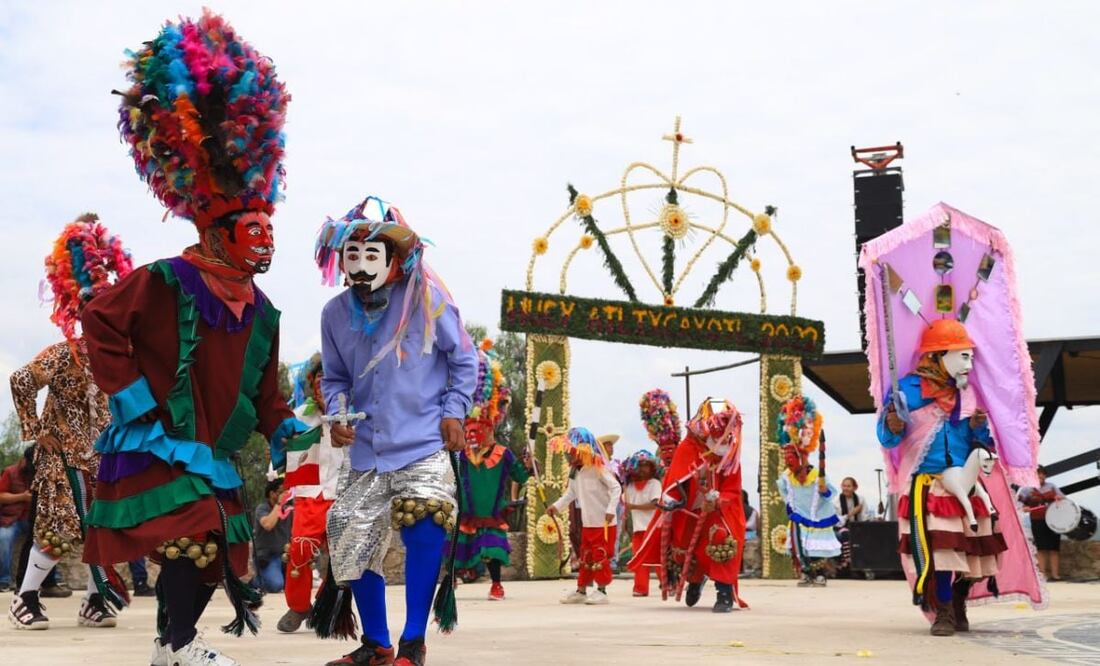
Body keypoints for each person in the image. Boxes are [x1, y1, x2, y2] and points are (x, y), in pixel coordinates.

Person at [80, 11, 298, 665]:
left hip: (213, 448)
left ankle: (167, 647)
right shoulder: (167, 279)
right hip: (157, 434)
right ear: (214, 229)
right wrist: (132, 398)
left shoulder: (264, 312)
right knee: (199, 526)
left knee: (219, 541)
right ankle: (177, 645)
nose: (262, 235)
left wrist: (293, 433)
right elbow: (98, 319)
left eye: (266, 223)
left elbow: (267, 393)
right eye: (248, 224)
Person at [314, 195, 477, 666]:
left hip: (422, 441)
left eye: (371, 255)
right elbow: (335, 379)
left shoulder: (427, 298)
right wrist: (338, 414)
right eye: (352, 256)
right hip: (366, 447)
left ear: (393, 258)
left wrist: (455, 411)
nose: (361, 267)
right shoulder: (333, 314)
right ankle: (377, 644)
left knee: (426, 519)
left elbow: (464, 358)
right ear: (340, 261)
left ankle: (413, 642)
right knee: (350, 530)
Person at [9, 215, 133, 632]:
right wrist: (34, 427)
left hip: (103, 460)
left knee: (107, 531)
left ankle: (94, 604)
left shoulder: (119, 359)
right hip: (61, 459)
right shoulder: (64, 354)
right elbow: (21, 379)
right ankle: (25, 597)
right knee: (59, 529)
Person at [877, 320, 1009, 636]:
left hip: (964, 481)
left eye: (970, 356)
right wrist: (892, 425)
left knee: (971, 549)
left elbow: (981, 441)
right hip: (927, 484)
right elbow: (887, 439)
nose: (969, 363)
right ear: (939, 355)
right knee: (940, 553)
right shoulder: (905, 390)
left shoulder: (968, 392)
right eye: (963, 356)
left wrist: (979, 427)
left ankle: (960, 604)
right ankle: (944, 612)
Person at [629, 400, 748, 613]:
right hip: (690, 509)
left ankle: (724, 592)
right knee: (683, 545)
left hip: (720, 511)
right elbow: (675, 478)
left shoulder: (730, 454)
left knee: (720, 539)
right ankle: (695, 579)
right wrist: (673, 497)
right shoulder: (688, 446)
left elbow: (733, 488)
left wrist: (719, 500)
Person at [453, 340, 530, 601]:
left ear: (490, 428)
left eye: (479, 429)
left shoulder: (503, 454)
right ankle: (451, 578)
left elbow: (521, 476)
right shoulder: (460, 455)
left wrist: (530, 468)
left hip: (492, 514)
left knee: (491, 548)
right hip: (465, 513)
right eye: (469, 429)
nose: (473, 433)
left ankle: (496, 584)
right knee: (455, 548)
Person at [278, 353, 343, 632]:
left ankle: (328, 605)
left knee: (344, 555)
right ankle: (299, 606)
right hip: (310, 492)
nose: (323, 384)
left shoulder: (352, 413)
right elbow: (283, 449)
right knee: (300, 549)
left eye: (330, 380)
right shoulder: (299, 415)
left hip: (345, 490)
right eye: (319, 378)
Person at [547, 428, 622, 605]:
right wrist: (556, 507)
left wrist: (611, 509)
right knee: (586, 555)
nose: (568, 455)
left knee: (600, 555)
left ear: (583, 450)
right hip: (588, 522)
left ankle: (602, 590)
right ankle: (581, 590)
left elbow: (616, 488)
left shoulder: (598, 468)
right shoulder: (574, 473)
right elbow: (570, 494)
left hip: (604, 522)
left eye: (571, 451)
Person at [776, 395, 842, 588]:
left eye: (791, 457)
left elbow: (831, 492)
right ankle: (806, 573)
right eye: (786, 458)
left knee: (818, 547)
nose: (789, 461)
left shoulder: (816, 475)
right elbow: (785, 495)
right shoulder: (786, 477)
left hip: (818, 516)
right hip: (799, 518)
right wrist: (792, 508)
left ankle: (820, 573)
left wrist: (824, 491)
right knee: (801, 547)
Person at [621, 450, 662, 597]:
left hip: (653, 528)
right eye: (640, 465)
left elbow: (656, 505)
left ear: (652, 468)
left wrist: (634, 507)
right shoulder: (630, 486)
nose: (643, 469)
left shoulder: (654, 484)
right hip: (638, 529)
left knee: (658, 559)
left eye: (646, 465)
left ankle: (667, 583)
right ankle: (640, 588)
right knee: (639, 560)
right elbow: (625, 504)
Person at [1017, 466, 1065, 581]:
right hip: (1037, 520)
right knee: (1041, 548)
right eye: (1038, 474)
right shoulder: (1026, 489)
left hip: (1054, 520)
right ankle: (1042, 574)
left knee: (1054, 548)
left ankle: (1055, 575)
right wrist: (1025, 508)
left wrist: (1060, 498)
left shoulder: (1052, 486)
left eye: (1043, 474)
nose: (1041, 476)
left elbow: (1063, 498)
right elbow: (1018, 505)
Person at [0, 447, 34, 593]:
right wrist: (22, 497)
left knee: (48, 540)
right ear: (24, 460)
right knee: (4, 538)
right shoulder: (10, 472)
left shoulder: (42, 473)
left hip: (33, 519)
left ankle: (52, 579)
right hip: (11, 519)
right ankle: (4, 580)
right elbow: (1, 496)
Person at [253, 479, 292, 593]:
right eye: (282, 492)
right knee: (276, 585)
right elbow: (268, 525)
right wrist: (279, 504)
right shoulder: (262, 508)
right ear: (272, 494)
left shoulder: (289, 509)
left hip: (285, 556)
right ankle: (252, 581)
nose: (286, 495)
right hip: (268, 557)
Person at [834, 477, 866, 577]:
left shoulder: (860, 499)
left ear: (855, 488)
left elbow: (864, 518)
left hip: (857, 527)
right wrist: (851, 514)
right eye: (844, 486)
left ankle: (861, 566)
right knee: (845, 533)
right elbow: (838, 523)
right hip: (840, 529)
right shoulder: (836, 501)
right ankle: (848, 564)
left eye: (848, 486)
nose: (846, 488)